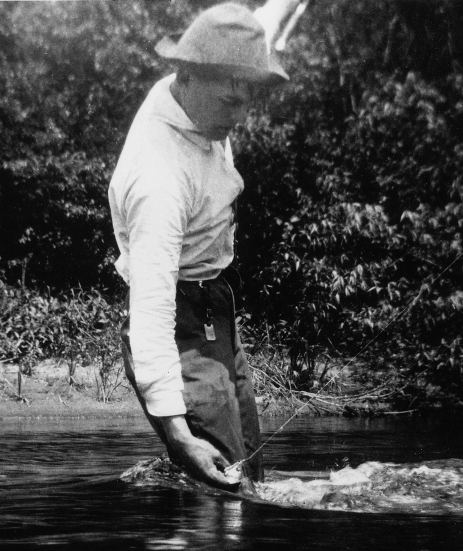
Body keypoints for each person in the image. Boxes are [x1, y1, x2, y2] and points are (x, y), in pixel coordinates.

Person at [108, 3, 288, 490]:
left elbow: (259, 28)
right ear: (185, 76)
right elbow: (150, 315)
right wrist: (178, 435)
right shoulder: (158, 180)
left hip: (218, 308)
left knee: (254, 478)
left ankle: (171, 485)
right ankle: (177, 473)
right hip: (179, 322)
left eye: (248, 97)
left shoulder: (203, 80)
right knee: (227, 487)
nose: (241, 113)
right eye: (229, 101)